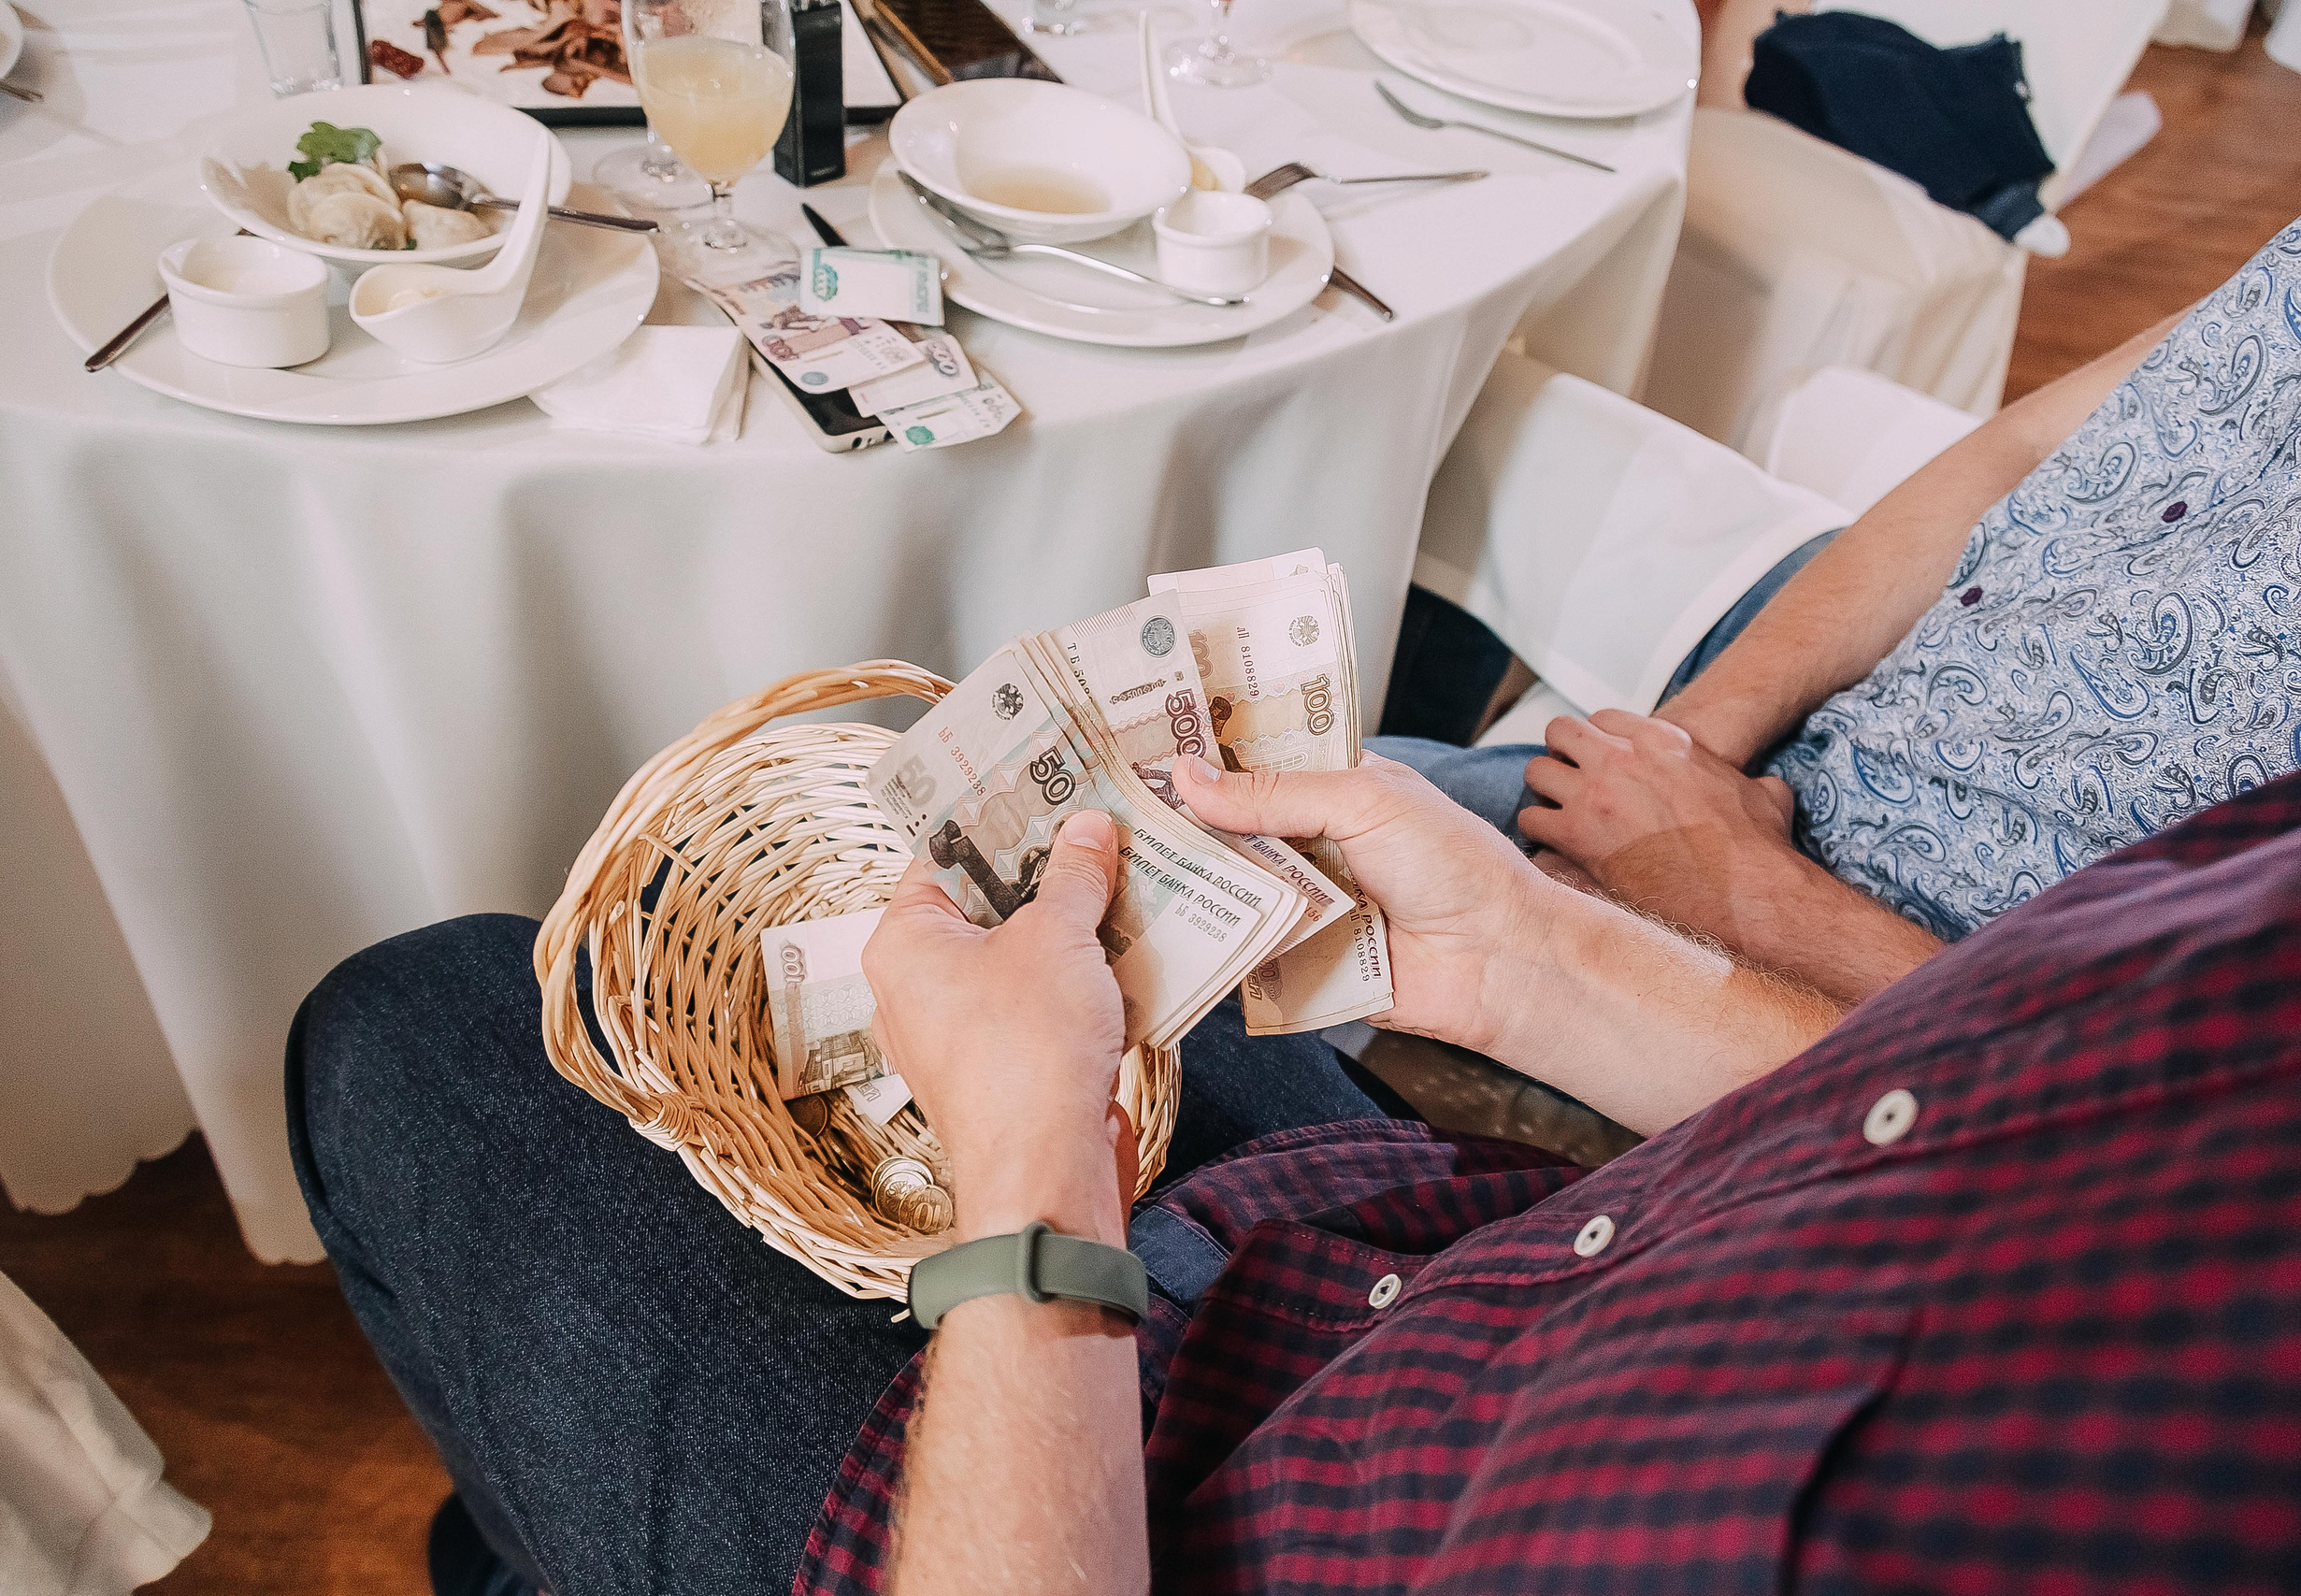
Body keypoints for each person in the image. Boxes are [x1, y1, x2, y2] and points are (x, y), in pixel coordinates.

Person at [289, 751, 2301, 1596]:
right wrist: (1545, 957)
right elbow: (1962, 1128)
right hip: (1412, 1271)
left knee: (409, 1025)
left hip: (1126, 1504)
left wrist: (1029, 1164)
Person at [1374, 214, 2301, 1007]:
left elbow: (2162, 1085)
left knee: (1272, 855)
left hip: (1874, 969)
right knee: (1490, 434)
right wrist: (1684, 748)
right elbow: (2019, 450)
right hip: (1867, 707)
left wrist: (1743, 893)